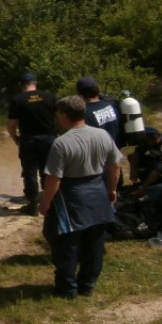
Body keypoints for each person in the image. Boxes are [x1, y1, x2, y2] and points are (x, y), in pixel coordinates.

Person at [38, 95, 120, 299]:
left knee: (66, 243)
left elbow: (54, 179)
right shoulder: (102, 135)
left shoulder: (61, 143)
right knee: (95, 242)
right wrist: (112, 190)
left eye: (58, 114)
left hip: (72, 195)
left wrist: (45, 202)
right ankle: (88, 284)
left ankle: (67, 289)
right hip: (98, 190)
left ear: (64, 115)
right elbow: (115, 165)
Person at [7, 72, 57, 215]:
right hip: (49, 139)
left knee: (30, 173)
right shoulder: (49, 97)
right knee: (47, 171)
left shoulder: (17, 100)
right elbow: (59, 118)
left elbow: (11, 125)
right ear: (35, 83)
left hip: (29, 140)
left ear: (20, 85)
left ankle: (33, 205)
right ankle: (49, 201)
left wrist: (16, 138)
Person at [127, 126, 162, 197]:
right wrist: (133, 170)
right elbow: (136, 153)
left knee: (155, 164)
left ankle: (158, 182)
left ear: (155, 138)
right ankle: (145, 181)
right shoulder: (151, 141)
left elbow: (159, 168)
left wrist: (144, 187)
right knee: (134, 157)